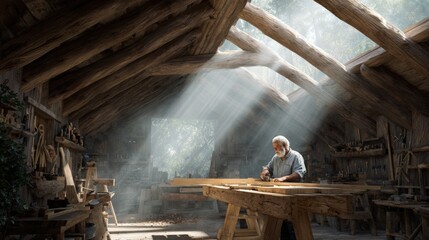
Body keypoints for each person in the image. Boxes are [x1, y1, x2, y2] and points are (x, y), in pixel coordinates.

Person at [259, 135, 306, 240]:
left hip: (292, 196)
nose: (275, 150)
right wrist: (265, 173)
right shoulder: (276, 158)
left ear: (284, 145)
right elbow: (268, 168)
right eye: (274, 148)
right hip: (279, 196)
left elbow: (299, 173)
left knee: (292, 227)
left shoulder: (296, 156)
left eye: (276, 148)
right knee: (281, 226)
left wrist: (284, 178)